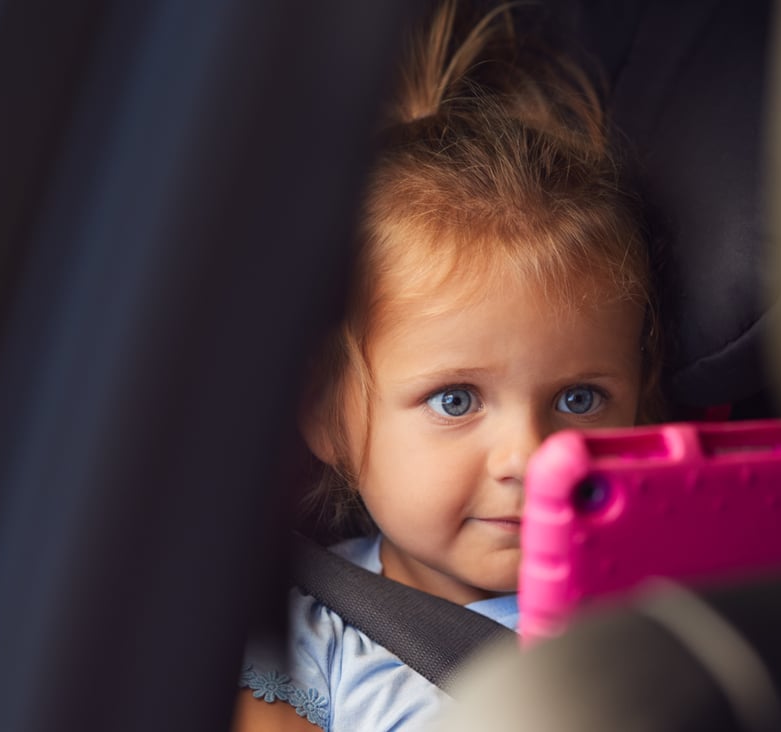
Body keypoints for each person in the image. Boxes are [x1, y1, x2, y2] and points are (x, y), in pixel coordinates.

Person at [232, 2, 661, 730]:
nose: (530, 456)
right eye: (456, 400)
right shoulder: (305, 638)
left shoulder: (667, 598)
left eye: (582, 399)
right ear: (329, 413)